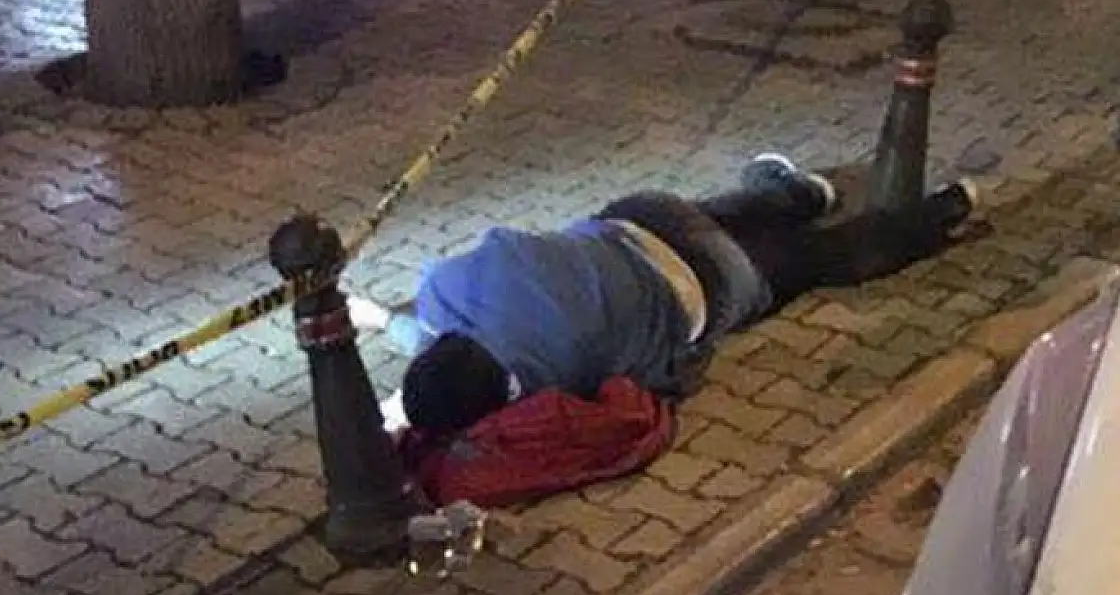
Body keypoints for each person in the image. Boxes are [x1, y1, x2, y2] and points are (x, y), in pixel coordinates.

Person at [350, 153, 978, 434]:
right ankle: (804, 192)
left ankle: (947, 208)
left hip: (712, 285)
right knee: (711, 214)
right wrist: (378, 317)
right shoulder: (442, 286)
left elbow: (655, 382)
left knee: (820, 260)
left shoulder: (541, 382)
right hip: (643, 219)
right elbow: (431, 333)